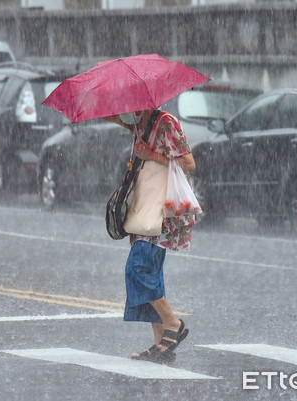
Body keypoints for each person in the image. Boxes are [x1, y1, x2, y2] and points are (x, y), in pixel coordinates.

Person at [104, 109, 196, 362]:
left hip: (160, 209)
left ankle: (173, 324)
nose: (125, 112)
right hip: (143, 208)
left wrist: (152, 155)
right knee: (150, 273)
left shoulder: (166, 123)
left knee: (139, 269)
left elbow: (189, 163)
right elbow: (114, 118)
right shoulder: (138, 125)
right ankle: (161, 346)